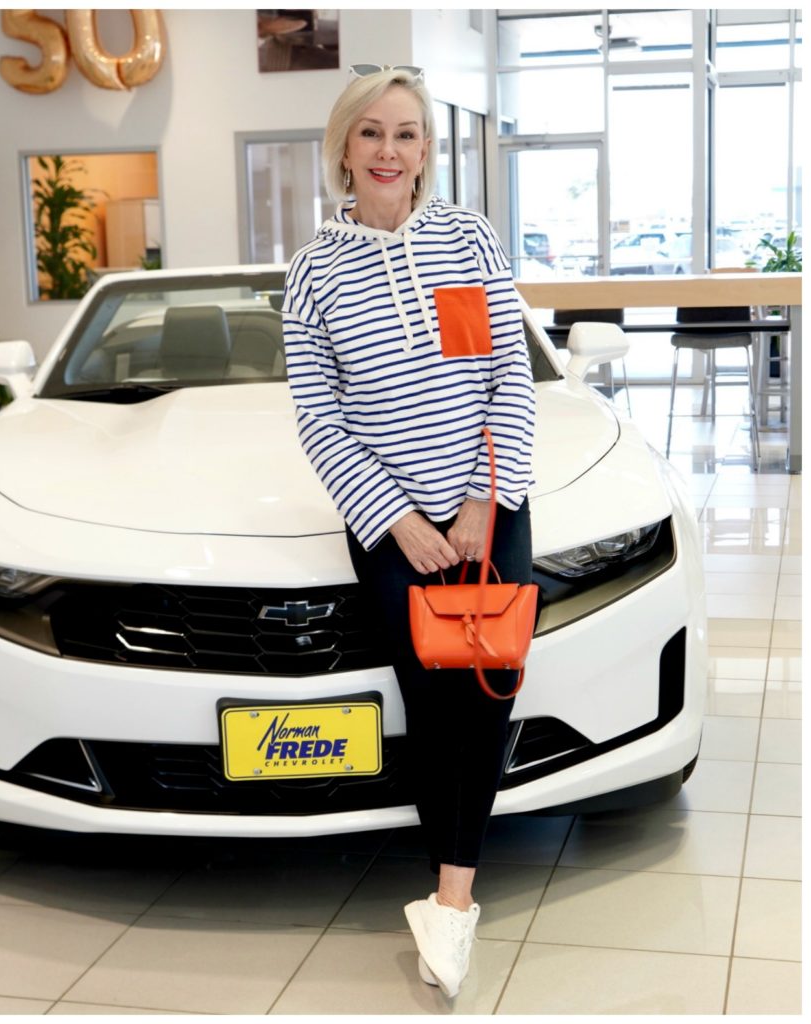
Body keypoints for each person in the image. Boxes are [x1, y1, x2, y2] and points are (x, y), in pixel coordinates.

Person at [281, 65, 535, 998]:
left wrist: (477, 503)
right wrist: (394, 519)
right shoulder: (313, 269)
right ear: (344, 147)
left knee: (489, 688)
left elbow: (505, 375)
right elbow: (319, 415)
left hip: (489, 505)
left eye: (408, 134)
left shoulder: (467, 240)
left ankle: (449, 902)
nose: (390, 151)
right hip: (390, 525)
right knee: (432, 705)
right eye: (372, 133)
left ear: (427, 150)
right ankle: (453, 905)